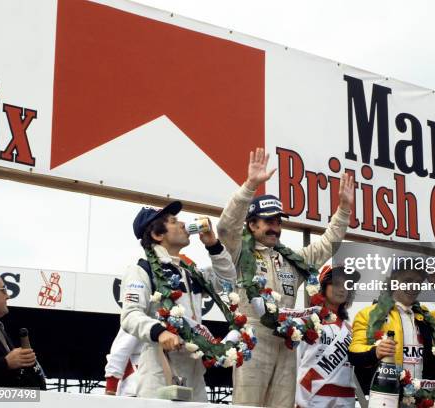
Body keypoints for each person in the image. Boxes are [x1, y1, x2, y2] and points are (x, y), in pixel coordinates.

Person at [217, 147, 354, 408]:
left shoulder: (292, 259)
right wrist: (249, 187)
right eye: (268, 221)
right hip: (253, 338)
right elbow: (225, 227)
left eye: (278, 222)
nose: (275, 227)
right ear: (252, 225)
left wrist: (344, 210)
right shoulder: (237, 252)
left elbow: (327, 244)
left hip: (287, 343)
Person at [120, 201, 236, 401]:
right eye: (174, 221)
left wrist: (213, 244)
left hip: (195, 370)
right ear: (158, 235)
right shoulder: (141, 269)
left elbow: (227, 281)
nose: (183, 224)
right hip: (159, 369)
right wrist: (159, 331)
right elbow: (130, 315)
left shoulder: (190, 272)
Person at [348, 260, 435, 394]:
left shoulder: (426, 317)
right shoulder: (369, 314)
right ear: (393, 281)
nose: (413, 286)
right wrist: (375, 351)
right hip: (386, 394)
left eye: (418, 283)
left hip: (421, 398)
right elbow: (354, 354)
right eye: (408, 281)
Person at [295, 266, 359, 408]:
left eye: (347, 285)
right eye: (336, 284)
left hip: (346, 399)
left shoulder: (350, 330)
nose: (342, 289)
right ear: (323, 286)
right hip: (312, 398)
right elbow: (294, 363)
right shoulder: (306, 322)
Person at [104, 327, 143, 396]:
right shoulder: (136, 317)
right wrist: (111, 388)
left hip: (159, 384)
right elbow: (120, 350)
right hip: (134, 388)